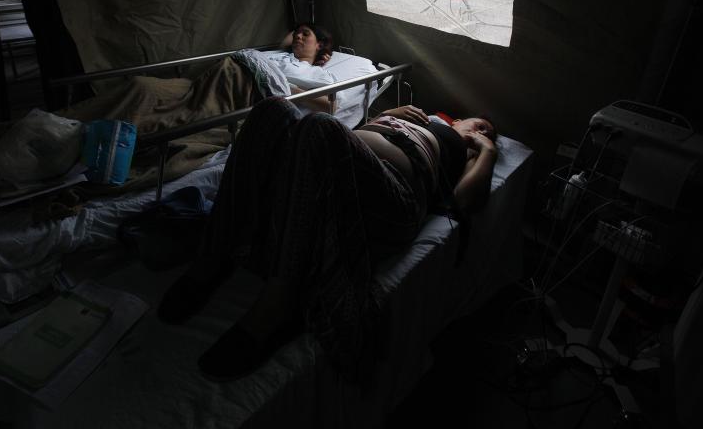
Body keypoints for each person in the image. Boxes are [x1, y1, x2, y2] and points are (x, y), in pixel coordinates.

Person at [157, 96, 498, 384]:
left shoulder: (467, 152)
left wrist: (487, 151)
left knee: (319, 125)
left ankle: (280, 300)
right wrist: (389, 117)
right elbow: (348, 140)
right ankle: (214, 254)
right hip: (341, 169)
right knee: (272, 109)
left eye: (489, 132)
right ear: (457, 119)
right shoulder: (425, 119)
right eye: (479, 124)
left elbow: (464, 201)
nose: (482, 130)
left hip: (395, 198)